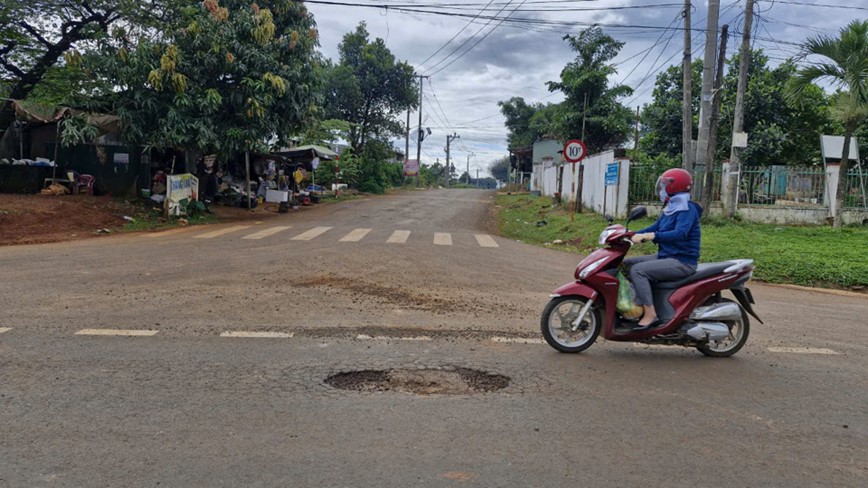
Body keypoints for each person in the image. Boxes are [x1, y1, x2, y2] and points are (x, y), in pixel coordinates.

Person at [624, 168, 703, 330]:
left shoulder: (687, 209)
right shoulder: (672, 207)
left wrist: (654, 236)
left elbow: (680, 233)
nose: (661, 189)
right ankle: (636, 305)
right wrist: (627, 234)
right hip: (667, 256)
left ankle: (650, 314)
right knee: (625, 264)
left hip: (682, 261)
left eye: (664, 185)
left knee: (639, 270)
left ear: (675, 187)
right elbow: (655, 227)